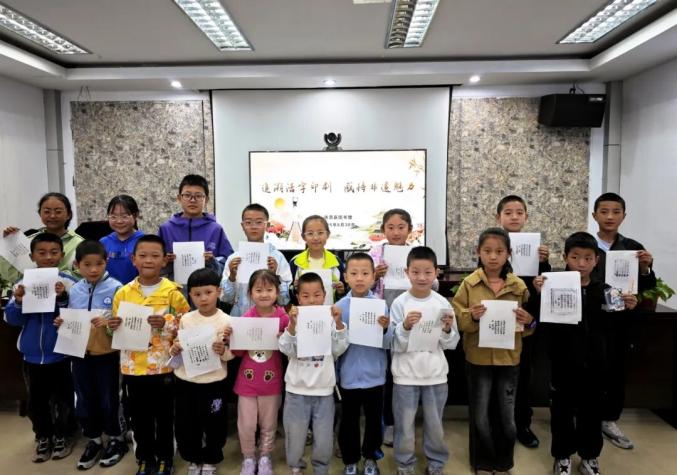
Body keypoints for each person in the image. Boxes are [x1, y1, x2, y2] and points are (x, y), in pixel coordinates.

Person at [534, 232, 637, 475]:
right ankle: (562, 456)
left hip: (596, 365)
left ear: (596, 260)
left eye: (588, 258)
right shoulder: (553, 285)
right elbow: (541, 321)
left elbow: (617, 328)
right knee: (561, 413)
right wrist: (540, 294)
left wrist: (628, 308)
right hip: (563, 363)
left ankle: (590, 457)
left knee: (591, 413)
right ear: (565, 257)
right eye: (575, 257)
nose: (581, 263)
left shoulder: (607, 291)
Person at [452, 228, 534, 475]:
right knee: (480, 416)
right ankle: (483, 462)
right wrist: (472, 316)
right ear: (478, 252)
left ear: (509, 253)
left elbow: (529, 327)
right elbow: (457, 318)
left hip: (508, 360)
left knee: (506, 416)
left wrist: (529, 321)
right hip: (478, 358)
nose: (493, 257)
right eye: (487, 251)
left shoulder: (518, 286)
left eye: (499, 251)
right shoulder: (469, 284)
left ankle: (504, 462)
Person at [109, 234, 190, 475]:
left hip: (163, 366)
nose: (148, 260)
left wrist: (167, 322)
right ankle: (144, 458)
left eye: (155, 256)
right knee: (139, 417)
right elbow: (114, 328)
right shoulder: (123, 293)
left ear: (164, 260)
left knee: (164, 416)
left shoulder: (173, 293)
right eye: (143, 255)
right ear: (133, 259)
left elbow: (188, 325)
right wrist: (112, 326)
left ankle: (165, 458)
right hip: (133, 367)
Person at [3, 232, 78, 463]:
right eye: (42, 252)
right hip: (32, 356)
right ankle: (43, 436)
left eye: (54, 252)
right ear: (32, 256)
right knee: (37, 402)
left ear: (62, 255)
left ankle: (64, 435)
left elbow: (76, 316)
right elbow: (12, 320)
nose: (48, 257)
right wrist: (18, 301)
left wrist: (62, 298)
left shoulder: (69, 282)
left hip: (61, 354)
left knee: (64, 399)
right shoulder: (22, 283)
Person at [590, 192, 655, 450]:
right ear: (594, 215)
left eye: (616, 212)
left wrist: (646, 268)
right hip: (592, 319)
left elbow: (646, 286)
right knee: (589, 369)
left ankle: (609, 419)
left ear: (623, 216)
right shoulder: (585, 245)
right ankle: (586, 416)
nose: (610, 216)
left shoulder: (633, 247)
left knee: (616, 371)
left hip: (620, 321)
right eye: (604, 211)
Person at [368, 208, 437, 445]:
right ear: (383, 229)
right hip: (383, 320)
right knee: (388, 373)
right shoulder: (375, 253)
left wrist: (424, 276)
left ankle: (407, 422)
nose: (396, 232)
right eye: (390, 227)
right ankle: (389, 423)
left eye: (401, 227)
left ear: (409, 229)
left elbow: (433, 284)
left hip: (414, 320)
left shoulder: (417, 253)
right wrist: (375, 276)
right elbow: (361, 284)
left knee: (408, 371)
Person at [390, 246, 459, 475]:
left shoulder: (442, 303)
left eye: (428, 272)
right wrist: (405, 326)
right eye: (416, 272)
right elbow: (394, 343)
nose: (422, 277)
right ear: (406, 272)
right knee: (404, 425)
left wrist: (447, 330)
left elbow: (451, 343)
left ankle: (436, 463)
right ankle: (405, 464)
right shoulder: (399, 303)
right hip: (405, 375)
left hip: (435, 375)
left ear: (436, 272)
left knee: (435, 424)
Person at [58, 240, 127, 469]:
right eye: (87, 264)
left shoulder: (117, 288)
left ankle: (116, 438)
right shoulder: (74, 289)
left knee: (110, 398)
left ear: (106, 262)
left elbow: (122, 323)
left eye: (99, 263)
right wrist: (61, 322)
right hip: (79, 354)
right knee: (85, 398)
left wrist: (110, 322)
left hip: (107, 354)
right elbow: (69, 318)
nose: (94, 269)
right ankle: (94, 439)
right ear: (77, 265)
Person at [495, 194, 551, 448]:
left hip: (526, 322)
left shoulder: (536, 249)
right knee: (498, 375)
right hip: (499, 320)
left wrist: (544, 264)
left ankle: (522, 424)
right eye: (508, 212)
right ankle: (498, 423)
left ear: (526, 216)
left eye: (519, 212)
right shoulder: (492, 245)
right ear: (498, 217)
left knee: (523, 374)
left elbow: (546, 288)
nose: (514, 217)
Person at [279, 273, 348, 475]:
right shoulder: (294, 318)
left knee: (324, 437)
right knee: (295, 435)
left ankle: (321, 469)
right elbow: (286, 349)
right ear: (298, 297)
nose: (312, 300)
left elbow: (339, 349)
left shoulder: (331, 318)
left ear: (325, 295)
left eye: (317, 295)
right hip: (296, 389)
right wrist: (292, 326)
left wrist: (338, 323)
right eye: (306, 295)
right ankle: (295, 467)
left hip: (323, 389)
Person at [170, 268, 233, 475]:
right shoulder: (186, 319)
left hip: (214, 382)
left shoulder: (226, 321)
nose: (203, 298)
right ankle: (193, 458)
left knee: (215, 423)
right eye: (197, 294)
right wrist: (174, 349)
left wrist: (223, 351)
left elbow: (231, 355)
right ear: (190, 295)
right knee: (187, 423)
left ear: (218, 291)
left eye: (208, 292)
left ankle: (211, 459)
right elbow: (178, 347)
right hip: (186, 381)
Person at [336, 253, 391, 475]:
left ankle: (371, 458)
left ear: (373, 277)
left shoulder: (380, 306)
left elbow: (389, 343)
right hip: (349, 376)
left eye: (365, 273)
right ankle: (350, 460)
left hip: (374, 375)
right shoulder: (339, 307)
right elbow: (335, 345)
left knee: (374, 421)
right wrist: (337, 324)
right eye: (354, 273)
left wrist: (385, 329)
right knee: (348, 422)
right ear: (345, 276)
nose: (360, 278)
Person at [232, 269, 290, 475]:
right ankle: (248, 458)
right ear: (250, 293)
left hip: (272, 382)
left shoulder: (284, 318)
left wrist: (285, 337)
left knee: (269, 423)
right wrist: (233, 337)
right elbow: (238, 352)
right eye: (258, 290)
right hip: (247, 383)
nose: (264, 294)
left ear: (277, 292)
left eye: (269, 289)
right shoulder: (246, 318)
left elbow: (291, 349)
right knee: (246, 424)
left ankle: (265, 456)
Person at [158, 174, 233, 279]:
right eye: (187, 195)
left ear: (206, 199)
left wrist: (212, 261)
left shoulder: (215, 229)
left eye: (198, 196)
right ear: (179, 198)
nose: (192, 200)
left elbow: (228, 263)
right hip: (172, 287)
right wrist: (165, 262)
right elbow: (154, 263)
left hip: (206, 287)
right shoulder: (166, 229)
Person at [221, 203, 292, 316]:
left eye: (259, 222)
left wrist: (275, 276)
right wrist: (232, 277)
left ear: (267, 225)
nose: (253, 226)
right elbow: (226, 299)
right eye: (248, 222)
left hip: (270, 318)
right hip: (241, 316)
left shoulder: (277, 258)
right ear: (242, 226)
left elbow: (284, 300)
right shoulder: (233, 259)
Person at [2, 192, 84, 282]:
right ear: (40, 214)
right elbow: (11, 276)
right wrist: (9, 244)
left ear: (68, 214)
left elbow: (85, 278)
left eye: (58, 212)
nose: (52, 216)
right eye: (47, 212)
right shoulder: (29, 240)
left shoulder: (80, 244)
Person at [289, 215, 346, 304]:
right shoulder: (295, 262)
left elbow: (344, 294)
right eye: (310, 233)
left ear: (328, 235)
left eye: (320, 233)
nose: (315, 238)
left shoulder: (336, 262)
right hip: (303, 311)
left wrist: (341, 292)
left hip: (331, 311)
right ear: (303, 237)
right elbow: (289, 295)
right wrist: (294, 289)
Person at [100, 194, 144, 285]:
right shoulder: (103, 243)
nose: (119, 221)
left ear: (135, 215)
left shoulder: (144, 241)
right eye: (113, 217)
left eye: (124, 216)